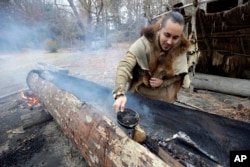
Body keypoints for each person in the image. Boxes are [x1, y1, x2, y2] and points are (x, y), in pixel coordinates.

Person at [113, 11, 191, 112]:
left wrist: (163, 82)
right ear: (160, 29)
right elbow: (125, 65)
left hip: (164, 100)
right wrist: (120, 94)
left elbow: (179, 76)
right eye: (167, 35)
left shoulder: (180, 49)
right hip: (140, 94)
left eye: (175, 37)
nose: (169, 42)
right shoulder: (145, 42)